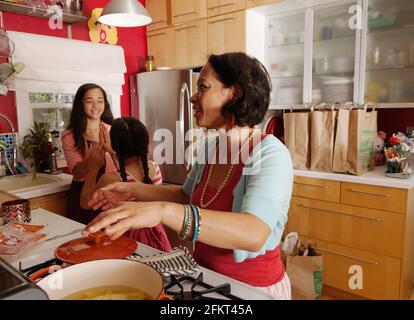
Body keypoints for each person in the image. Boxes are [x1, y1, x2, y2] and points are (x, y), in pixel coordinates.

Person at [84, 53, 293, 300]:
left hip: (252, 290)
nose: (193, 97)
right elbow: (186, 196)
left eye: (203, 87)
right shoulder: (210, 147)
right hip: (206, 279)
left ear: (234, 93)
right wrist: (130, 190)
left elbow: (253, 233)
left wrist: (162, 211)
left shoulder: (270, 153)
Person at [80, 117, 171, 252]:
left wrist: (93, 168)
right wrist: (113, 152)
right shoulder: (153, 168)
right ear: (146, 143)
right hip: (155, 232)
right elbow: (128, 168)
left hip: (126, 237)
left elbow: (85, 202)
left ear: (117, 147)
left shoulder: (110, 180)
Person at [62, 83, 117, 225]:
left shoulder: (114, 130)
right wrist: (93, 160)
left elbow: (124, 165)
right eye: (89, 101)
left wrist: (110, 149)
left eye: (100, 100)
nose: (95, 106)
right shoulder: (70, 136)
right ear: (80, 104)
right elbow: (77, 172)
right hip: (83, 193)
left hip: (110, 191)